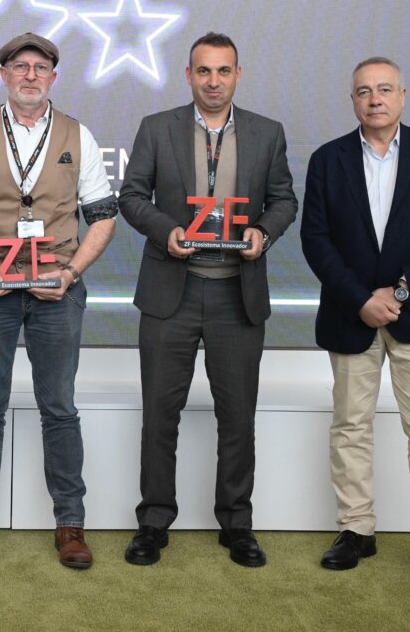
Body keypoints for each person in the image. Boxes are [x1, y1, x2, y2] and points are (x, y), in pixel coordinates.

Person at [0, 32, 117, 569]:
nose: (30, 75)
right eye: (20, 66)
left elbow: (104, 215)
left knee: (59, 407)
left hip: (57, 291)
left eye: (40, 67)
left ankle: (70, 522)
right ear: (4, 74)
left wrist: (71, 273)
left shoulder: (79, 134)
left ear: (54, 77)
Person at [117, 31, 297, 567]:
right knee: (160, 415)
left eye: (223, 71)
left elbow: (284, 200)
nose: (213, 81)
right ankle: (153, 523)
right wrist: (165, 231)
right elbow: (131, 196)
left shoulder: (267, 132)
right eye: (203, 71)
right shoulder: (157, 127)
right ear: (188, 75)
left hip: (237, 295)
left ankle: (237, 524)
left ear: (238, 75)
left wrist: (264, 232)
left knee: (238, 417)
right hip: (170, 291)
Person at [300, 56, 410, 591]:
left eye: (384, 89)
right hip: (351, 317)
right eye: (363, 91)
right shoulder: (328, 159)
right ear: (352, 100)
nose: (374, 99)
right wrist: (360, 300)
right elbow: (315, 240)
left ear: (402, 95)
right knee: (350, 425)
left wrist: (397, 293)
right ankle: (356, 530)